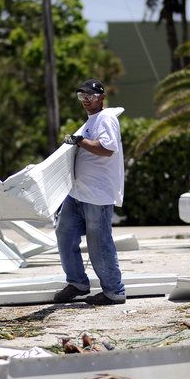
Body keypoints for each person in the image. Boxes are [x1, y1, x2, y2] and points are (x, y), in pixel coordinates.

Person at [53, 78, 126, 305]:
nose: (86, 100)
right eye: (81, 95)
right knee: (64, 234)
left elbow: (107, 149)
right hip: (77, 194)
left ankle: (114, 291)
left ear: (102, 98)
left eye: (91, 96)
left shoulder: (105, 118)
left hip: (97, 195)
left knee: (99, 244)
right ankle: (77, 283)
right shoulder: (89, 121)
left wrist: (80, 140)